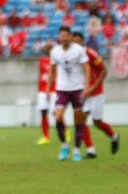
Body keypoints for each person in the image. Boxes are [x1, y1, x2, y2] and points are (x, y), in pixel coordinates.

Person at [72, 32, 120, 157]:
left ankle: (114, 136)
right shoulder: (72, 56)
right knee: (81, 121)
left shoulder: (90, 54)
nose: (76, 45)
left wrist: (93, 87)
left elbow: (104, 71)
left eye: (78, 42)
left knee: (97, 122)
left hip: (96, 93)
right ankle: (90, 150)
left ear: (83, 42)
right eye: (74, 43)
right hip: (82, 93)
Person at [46, 26, 91, 162]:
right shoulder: (55, 51)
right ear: (59, 38)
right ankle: (64, 146)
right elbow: (52, 71)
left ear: (70, 37)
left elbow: (87, 68)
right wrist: (48, 89)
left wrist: (86, 87)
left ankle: (76, 151)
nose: (64, 38)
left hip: (78, 88)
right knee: (58, 116)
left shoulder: (78, 50)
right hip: (62, 89)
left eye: (66, 35)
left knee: (78, 121)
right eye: (62, 35)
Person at [35, 43, 55, 145]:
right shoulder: (42, 60)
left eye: (50, 48)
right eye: (47, 48)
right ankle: (45, 137)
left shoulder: (56, 61)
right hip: (42, 90)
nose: (48, 50)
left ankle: (65, 131)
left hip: (54, 89)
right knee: (43, 112)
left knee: (56, 113)